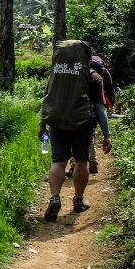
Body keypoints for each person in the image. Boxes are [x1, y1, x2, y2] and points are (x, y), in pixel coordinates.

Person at [39, 40, 113, 222]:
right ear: (87, 58)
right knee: (81, 162)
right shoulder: (93, 77)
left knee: (58, 162)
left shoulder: (56, 75)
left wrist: (42, 125)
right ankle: (78, 201)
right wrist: (107, 134)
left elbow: (47, 100)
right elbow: (99, 108)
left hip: (57, 123)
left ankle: (55, 197)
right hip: (82, 125)